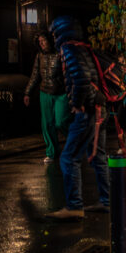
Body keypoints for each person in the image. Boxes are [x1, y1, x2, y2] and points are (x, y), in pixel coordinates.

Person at [45, 15, 110, 220]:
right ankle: (107, 201)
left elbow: (80, 79)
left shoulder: (69, 49)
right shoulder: (85, 48)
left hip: (87, 111)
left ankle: (74, 206)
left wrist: (76, 104)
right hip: (100, 109)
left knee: (68, 157)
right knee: (99, 156)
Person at [23, 29, 70, 163]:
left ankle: (74, 144)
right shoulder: (39, 56)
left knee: (61, 121)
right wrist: (27, 92)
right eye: (40, 41)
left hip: (61, 93)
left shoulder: (61, 53)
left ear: (50, 40)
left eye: (44, 40)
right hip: (45, 93)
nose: (42, 43)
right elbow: (35, 75)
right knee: (47, 124)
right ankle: (52, 152)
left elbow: (68, 73)